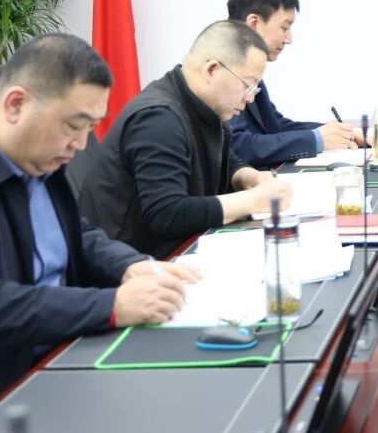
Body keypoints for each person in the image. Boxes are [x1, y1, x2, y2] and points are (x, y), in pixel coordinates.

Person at [0, 34, 198, 433]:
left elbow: (77, 236)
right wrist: (111, 306)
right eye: (74, 126)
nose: (81, 144)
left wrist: (133, 266)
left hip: (64, 351)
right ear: (16, 104)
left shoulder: (37, 158)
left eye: (90, 128)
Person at [76, 21, 293, 257]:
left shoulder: (201, 105)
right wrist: (252, 201)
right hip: (129, 264)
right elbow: (166, 214)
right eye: (248, 86)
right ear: (212, 70)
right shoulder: (159, 119)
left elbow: (222, 156)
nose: (250, 99)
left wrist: (246, 176)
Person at [226, 0, 362, 167]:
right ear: (254, 24)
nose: (289, 39)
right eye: (284, 27)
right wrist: (316, 139)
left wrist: (342, 134)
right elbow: (238, 146)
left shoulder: (248, 68)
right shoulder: (224, 71)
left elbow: (275, 126)